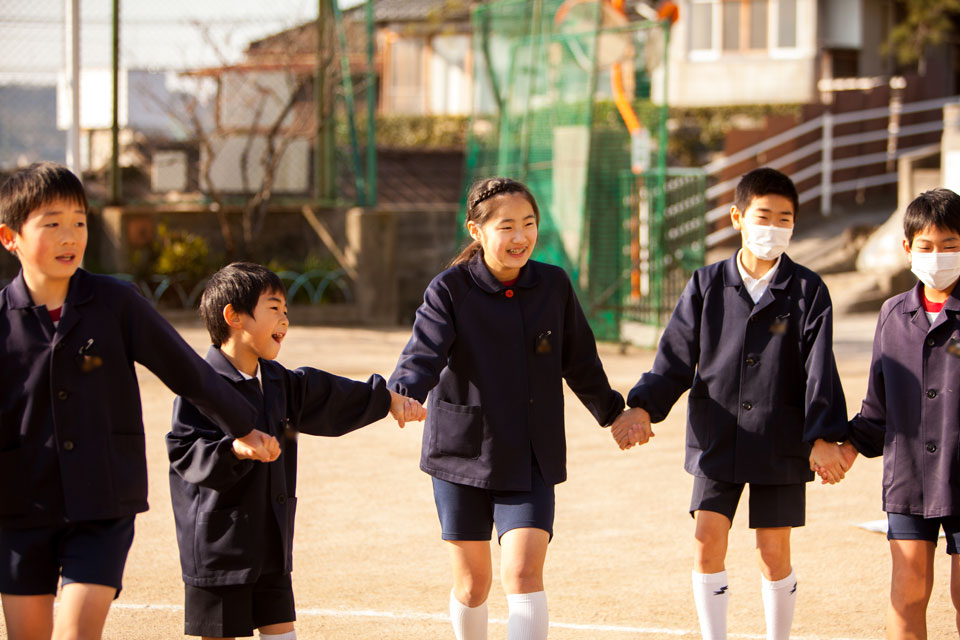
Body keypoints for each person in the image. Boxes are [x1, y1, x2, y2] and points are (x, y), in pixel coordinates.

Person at [0, 162, 279, 640]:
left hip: (102, 500)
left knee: (76, 633)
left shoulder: (116, 303)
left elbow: (186, 370)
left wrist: (242, 425)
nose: (70, 236)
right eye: (52, 223)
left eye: (79, 222)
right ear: (10, 237)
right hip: (19, 503)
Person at [611, 167, 850, 640]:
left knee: (772, 552)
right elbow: (675, 357)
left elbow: (820, 368)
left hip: (781, 441)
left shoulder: (808, 290)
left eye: (784, 219)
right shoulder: (706, 284)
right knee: (706, 542)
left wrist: (823, 436)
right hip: (716, 438)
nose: (773, 227)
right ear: (738, 217)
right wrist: (642, 406)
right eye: (763, 216)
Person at [388, 177, 625, 640]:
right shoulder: (449, 289)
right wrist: (404, 393)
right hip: (460, 455)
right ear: (476, 231)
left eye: (529, 224)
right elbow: (423, 354)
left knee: (523, 574)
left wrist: (615, 413)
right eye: (507, 226)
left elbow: (579, 361)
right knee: (473, 585)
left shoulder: (553, 285)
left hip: (531, 454)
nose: (521, 237)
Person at [167, 261, 425, 640]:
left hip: (270, 542)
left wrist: (387, 400)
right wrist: (234, 450)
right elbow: (185, 452)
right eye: (274, 308)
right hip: (219, 550)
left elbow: (329, 396)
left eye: (286, 310)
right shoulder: (201, 386)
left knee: (282, 632)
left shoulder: (277, 381)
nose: (285, 320)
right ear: (234, 317)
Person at [835, 188, 960, 639]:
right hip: (909, 476)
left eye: (950, 244)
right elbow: (877, 405)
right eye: (926, 245)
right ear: (907, 248)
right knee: (908, 592)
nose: (937, 255)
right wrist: (845, 448)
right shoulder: (892, 314)